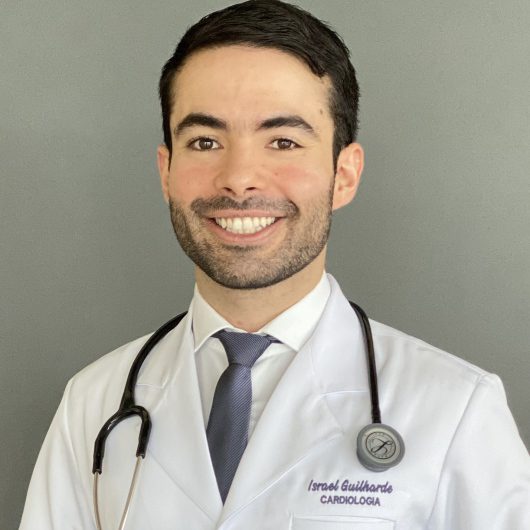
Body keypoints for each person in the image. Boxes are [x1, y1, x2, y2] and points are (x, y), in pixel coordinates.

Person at [20, 1, 529, 529]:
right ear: (166, 172)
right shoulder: (93, 403)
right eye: (205, 141)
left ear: (344, 174)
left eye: (283, 141)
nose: (240, 178)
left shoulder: (456, 410)